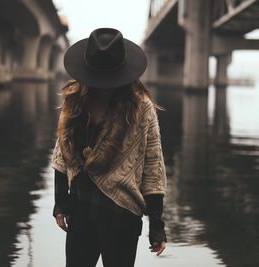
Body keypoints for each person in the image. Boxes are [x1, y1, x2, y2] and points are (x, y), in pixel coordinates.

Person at [51, 28, 167, 267]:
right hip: (81, 212)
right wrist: (60, 202)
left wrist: (156, 226)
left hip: (121, 216)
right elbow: (61, 154)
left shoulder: (142, 109)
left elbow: (153, 167)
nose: (104, 85)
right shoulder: (74, 103)